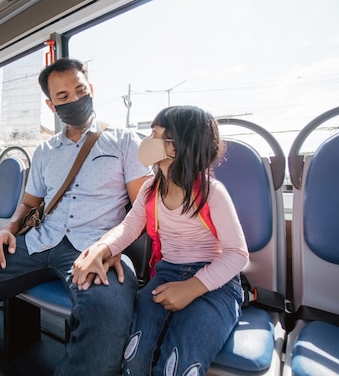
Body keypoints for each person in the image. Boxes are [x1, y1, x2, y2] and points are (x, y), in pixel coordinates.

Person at [0, 58, 150, 376]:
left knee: (107, 315)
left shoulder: (124, 141)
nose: (74, 99)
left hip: (98, 247)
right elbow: (27, 207)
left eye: (79, 90)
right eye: (63, 96)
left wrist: (110, 246)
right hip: (38, 243)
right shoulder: (45, 152)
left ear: (91, 90)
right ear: (51, 104)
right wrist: (6, 229)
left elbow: (141, 210)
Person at [72, 106, 249, 376]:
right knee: (134, 353)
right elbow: (130, 226)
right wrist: (102, 248)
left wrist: (192, 287)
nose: (146, 141)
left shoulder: (212, 192)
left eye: (154, 133)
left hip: (216, 284)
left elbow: (237, 254)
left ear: (175, 148)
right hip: (167, 273)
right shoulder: (150, 188)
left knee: (179, 364)